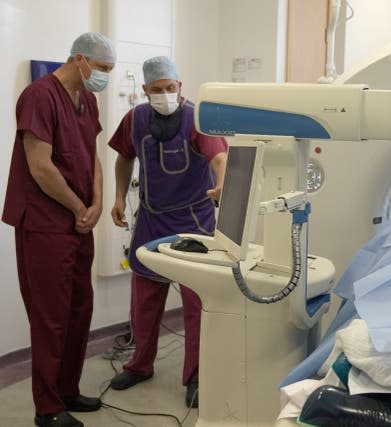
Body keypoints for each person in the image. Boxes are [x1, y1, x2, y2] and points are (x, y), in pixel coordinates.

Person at [2, 32, 116, 427]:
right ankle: (47, 408)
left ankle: (68, 389)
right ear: (80, 59)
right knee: (50, 316)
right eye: (102, 68)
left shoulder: (88, 99)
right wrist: (79, 207)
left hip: (78, 222)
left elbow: (93, 157)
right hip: (45, 224)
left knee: (79, 309)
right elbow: (40, 165)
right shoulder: (39, 96)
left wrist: (98, 203)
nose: (104, 77)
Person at [107, 56, 227, 408]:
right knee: (144, 300)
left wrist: (222, 186)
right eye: (156, 90)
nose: (164, 95)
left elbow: (219, 158)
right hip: (151, 218)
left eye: (170, 89)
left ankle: (196, 376)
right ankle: (140, 365)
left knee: (195, 303)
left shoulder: (196, 119)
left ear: (181, 87)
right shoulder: (135, 119)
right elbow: (123, 157)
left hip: (194, 221)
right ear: (144, 90)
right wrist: (117, 197)